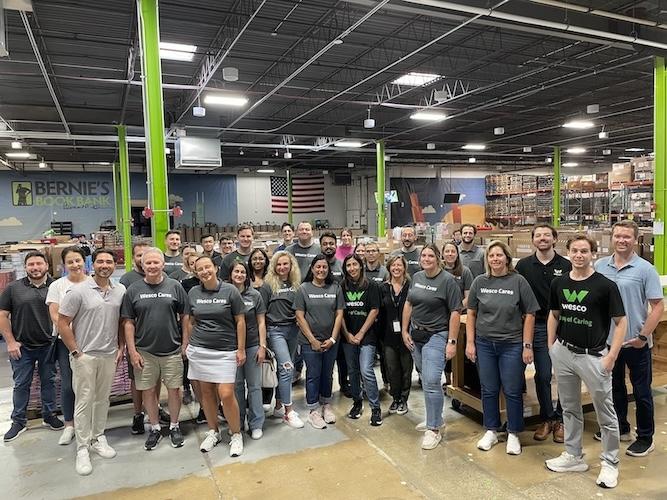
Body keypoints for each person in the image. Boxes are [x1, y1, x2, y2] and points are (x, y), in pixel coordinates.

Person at [546, 234, 627, 489]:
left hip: (594, 357)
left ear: (593, 254)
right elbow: (554, 314)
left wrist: (612, 355)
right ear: (568, 252)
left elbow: (621, 322)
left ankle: (610, 463)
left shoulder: (605, 285)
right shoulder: (559, 283)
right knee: (569, 407)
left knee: (606, 413)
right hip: (564, 353)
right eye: (575, 251)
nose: (579, 255)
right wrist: (552, 347)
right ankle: (573, 455)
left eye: (584, 251)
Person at [594, 220, 664, 457]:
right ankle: (621, 428)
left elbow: (657, 307)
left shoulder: (645, 269)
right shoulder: (600, 266)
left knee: (642, 391)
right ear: (612, 238)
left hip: (636, 342)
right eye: (618, 236)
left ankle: (645, 437)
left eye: (627, 237)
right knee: (613, 389)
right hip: (608, 342)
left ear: (635, 240)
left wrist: (643, 337)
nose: (622, 240)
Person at [466, 240, 539, 456]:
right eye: (491, 256)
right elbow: (471, 313)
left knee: (512, 390)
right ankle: (491, 429)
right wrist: (470, 342)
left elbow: (530, 314)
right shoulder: (480, 282)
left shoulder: (518, 282)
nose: (495, 259)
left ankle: (514, 432)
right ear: (487, 260)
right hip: (484, 343)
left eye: (499, 255)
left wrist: (527, 346)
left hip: (512, 345)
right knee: (488, 389)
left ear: (507, 258)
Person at [57, 249, 125, 475]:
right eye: (100, 261)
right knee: (84, 400)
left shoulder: (120, 290)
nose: (104, 265)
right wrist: (76, 352)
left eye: (109, 261)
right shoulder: (77, 291)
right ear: (92, 264)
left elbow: (121, 322)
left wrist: (120, 347)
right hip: (85, 356)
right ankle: (83, 447)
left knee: (102, 399)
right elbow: (63, 322)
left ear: (114, 265)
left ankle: (98, 438)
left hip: (108, 355)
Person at [121, 247, 190, 451]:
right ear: (142, 265)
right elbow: (128, 322)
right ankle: (155, 428)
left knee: (174, 390)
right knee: (148, 392)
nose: (152, 266)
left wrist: (185, 342)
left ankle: (175, 426)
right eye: (147, 263)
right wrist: (132, 351)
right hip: (144, 351)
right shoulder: (133, 289)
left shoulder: (175, 286)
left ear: (163, 264)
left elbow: (185, 315)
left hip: (171, 349)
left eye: (155, 262)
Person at [401, 244, 462, 450]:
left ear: (438, 258)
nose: (426, 259)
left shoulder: (448, 281)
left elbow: (455, 312)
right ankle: (435, 418)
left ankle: (434, 428)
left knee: (431, 380)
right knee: (426, 379)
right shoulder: (417, 277)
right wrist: (404, 330)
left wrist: (452, 342)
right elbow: (409, 304)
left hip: (437, 335)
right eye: (423, 256)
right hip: (416, 334)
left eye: (430, 256)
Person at [184, 255, 246, 455]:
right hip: (200, 350)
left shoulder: (230, 290)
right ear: (196, 273)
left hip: (225, 350)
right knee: (206, 393)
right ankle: (214, 431)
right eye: (199, 269)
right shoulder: (193, 292)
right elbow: (189, 320)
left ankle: (236, 434)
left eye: (207, 267)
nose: (204, 271)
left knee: (226, 393)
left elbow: (240, 321)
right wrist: (188, 343)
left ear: (216, 268)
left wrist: (241, 348)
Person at [515, 224, 571, 443]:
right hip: (537, 327)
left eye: (547, 235)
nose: (542, 238)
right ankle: (548, 418)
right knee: (544, 375)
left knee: (565, 376)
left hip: (565, 326)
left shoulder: (566, 265)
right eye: (538, 235)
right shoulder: (524, 265)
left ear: (555, 239)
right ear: (533, 240)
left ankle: (562, 420)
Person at [1, 251, 63, 442]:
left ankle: (49, 415)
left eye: (39, 264)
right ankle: (18, 421)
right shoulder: (13, 288)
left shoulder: (57, 286)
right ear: (26, 267)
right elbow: (2, 315)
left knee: (49, 381)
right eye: (31, 265)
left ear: (46, 265)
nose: (35, 268)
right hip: (23, 347)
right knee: (21, 384)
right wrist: (10, 341)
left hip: (49, 345)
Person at [120, 242, 169, 432]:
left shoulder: (164, 279)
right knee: (137, 380)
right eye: (140, 256)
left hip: (160, 342)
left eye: (148, 256)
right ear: (135, 258)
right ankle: (138, 413)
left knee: (154, 380)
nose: (144, 260)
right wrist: (127, 346)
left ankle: (153, 409)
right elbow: (126, 316)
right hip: (139, 343)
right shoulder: (128, 280)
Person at [46, 246, 92, 445]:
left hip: (91, 340)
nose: (75, 265)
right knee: (69, 384)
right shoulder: (57, 286)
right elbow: (55, 315)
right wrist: (70, 334)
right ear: (63, 265)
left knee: (90, 385)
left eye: (78, 261)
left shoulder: (93, 283)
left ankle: (90, 424)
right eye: (70, 262)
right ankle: (69, 425)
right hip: (66, 342)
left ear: (84, 262)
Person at [294, 254, 345, 429]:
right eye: (318, 267)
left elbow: (339, 314)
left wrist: (332, 338)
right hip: (310, 342)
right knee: (313, 374)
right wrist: (312, 340)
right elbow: (299, 316)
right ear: (312, 269)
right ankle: (313, 409)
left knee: (328, 373)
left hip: (331, 341)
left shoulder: (335, 287)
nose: (321, 270)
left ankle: (326, 404)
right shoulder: (303, 289)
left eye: (324, 267)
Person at [262, 251, 305, 429]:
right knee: (286, 368)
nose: (282, 267)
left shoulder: (296, 284)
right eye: (278, 264)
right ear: (274, 266)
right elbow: (261, 314)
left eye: (285, 264)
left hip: (293, 330)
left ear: (291, 265)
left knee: (286, 369)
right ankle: (289, 412)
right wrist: (263, 339)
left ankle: (279, 406)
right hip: (276, 330)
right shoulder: (267, 285)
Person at [340, 254, 383, 426]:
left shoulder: (371, 285)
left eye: (354, 264)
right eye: (348, 265)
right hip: (348, 336)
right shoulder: (342, 286)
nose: (352, 268)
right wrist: (347, 334)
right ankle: (357, 402)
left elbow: (374, 310)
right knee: (352, 370)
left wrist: (361, 333)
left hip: (367, 336)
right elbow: (339, 312)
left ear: (360, 266)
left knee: (366, 370)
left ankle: (375, 408)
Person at [229, 261, 267, 440]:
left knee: (254, 386)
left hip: (252, 346)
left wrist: (262, 346)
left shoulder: (255, 295)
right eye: (236, 271)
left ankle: (256, 423)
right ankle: (237, 421)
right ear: (230, 274)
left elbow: (261, 322)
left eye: (243, 271)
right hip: (231, 348)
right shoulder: (225, 293)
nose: (239, 274)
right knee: (235, 386)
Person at [380, 255, 413, 415]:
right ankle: (396, 398)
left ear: (404, 268)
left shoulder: (411, 286)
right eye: (393, 265)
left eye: (399, 265)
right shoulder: (383, 288)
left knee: (406, 369)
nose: (396, 268)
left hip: (407, 335)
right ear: (389, 268)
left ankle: (404, 400)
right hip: (388, 336)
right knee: (392, 369)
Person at [441, 241, 473, 386]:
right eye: (447, 251)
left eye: (453, 251)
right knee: (445, 351)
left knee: (459, 349)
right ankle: (447, 380)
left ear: (457, 254)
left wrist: (456, 308)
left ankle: (460, 380)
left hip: (460, 316)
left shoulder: (464, 271)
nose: (450, 254)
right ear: (442, 254)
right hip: (442, 316)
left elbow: (469, 296)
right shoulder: (438, 270)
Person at [248, 248, 274, 409]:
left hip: (268, 325)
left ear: (266, 260)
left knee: (266, 362)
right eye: (254, 259)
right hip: (249, 326)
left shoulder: (271, 279)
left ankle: (266, 397)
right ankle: (249, 399)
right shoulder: (245, 279)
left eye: (261, 258)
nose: (258, 261)